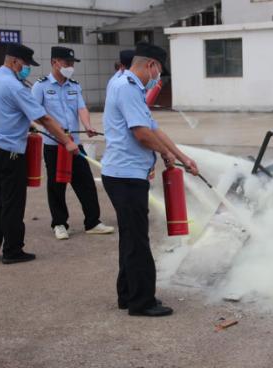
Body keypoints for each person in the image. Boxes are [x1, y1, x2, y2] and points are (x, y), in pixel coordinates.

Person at [101, 42, 199, 317]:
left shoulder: (124, 83)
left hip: (124, 174)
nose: (159, 77)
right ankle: (142, 302)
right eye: (158, 70)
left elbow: (154, 129)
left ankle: (127, 295)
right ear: (150, 65)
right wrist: (165, 153)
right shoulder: (128, 88)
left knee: (130, 240)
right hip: (126, 176)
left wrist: (180, 155)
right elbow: (142, 134)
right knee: (137, 242)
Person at [0, 44, 79, 265]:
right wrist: (67, 141)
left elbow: (0, 108)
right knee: (12, 202)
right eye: (25, 65)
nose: (27, 70)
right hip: (9, 153)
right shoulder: (16, 87)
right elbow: (45, 119)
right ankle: (13, 250)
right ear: (14, 61)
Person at [32, 46, 114, 240]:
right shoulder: (41, 86)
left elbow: (82, 108)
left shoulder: (74, 86)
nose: (70, 67)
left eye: (71, 63)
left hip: (75, 144)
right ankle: (59, 223)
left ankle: (93, 222)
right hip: (54, 145)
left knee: (85, 183)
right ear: (54, 62)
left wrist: (88, 125)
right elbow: (34, 114)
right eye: (67, 63)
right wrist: (55, 130)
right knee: (57, 185)